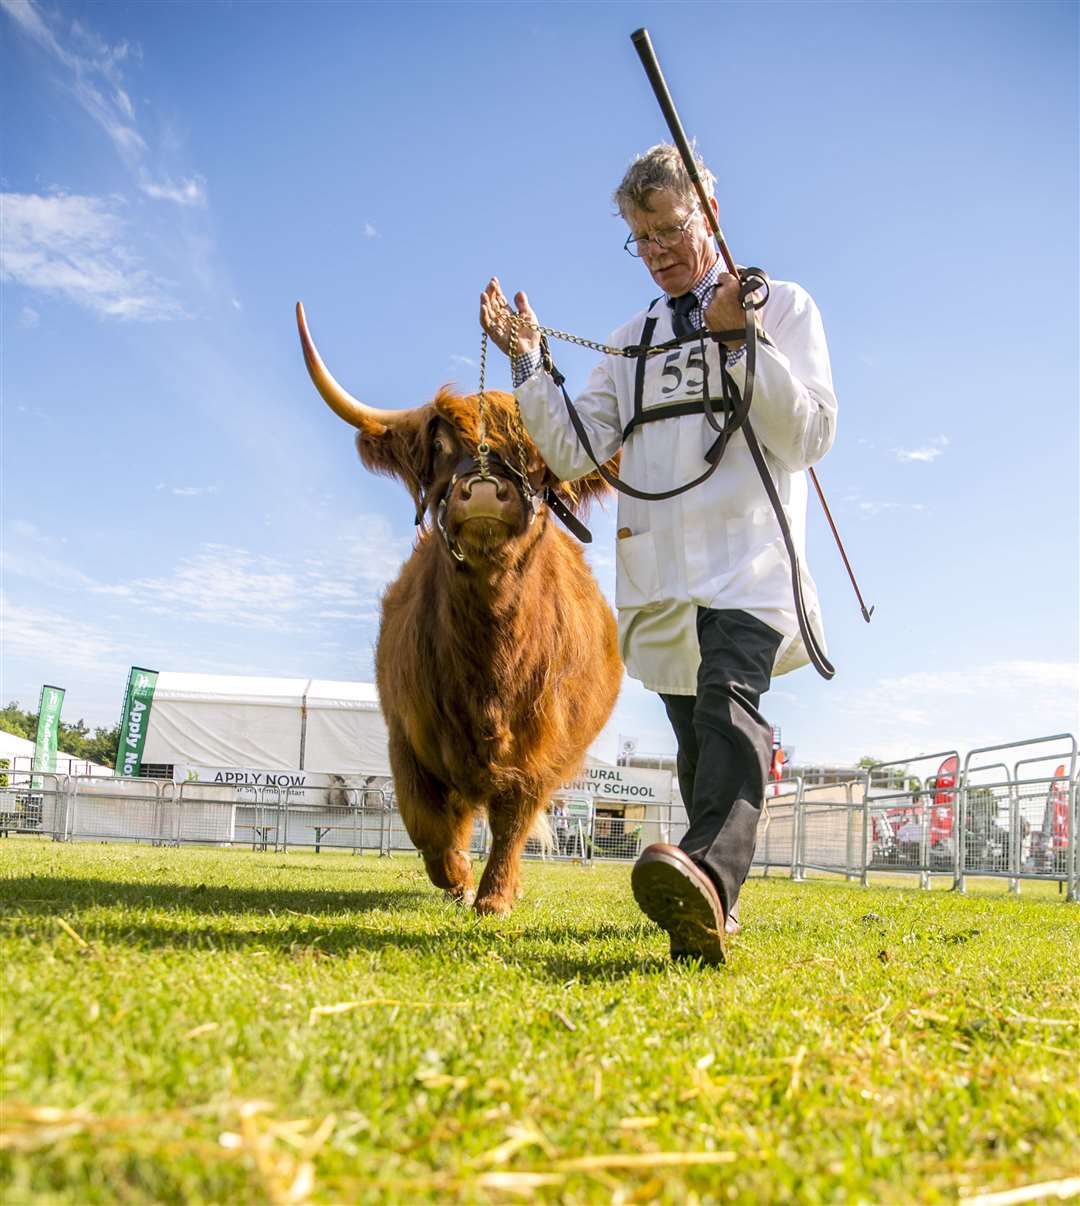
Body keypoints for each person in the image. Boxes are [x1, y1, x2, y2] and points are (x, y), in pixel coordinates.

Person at [480, 143, 837, 965]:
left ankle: (707, 877)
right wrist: (530, 362)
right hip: (661, 574)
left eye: (674, 229)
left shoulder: (781, 307)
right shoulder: (627, 339)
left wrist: (743, 344)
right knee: (696, 740)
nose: (662, 251)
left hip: (750, 562)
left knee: (728, 707)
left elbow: (812, 432)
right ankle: (709, 907)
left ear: (709, 215)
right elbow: (572, 451)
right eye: (644, 238)